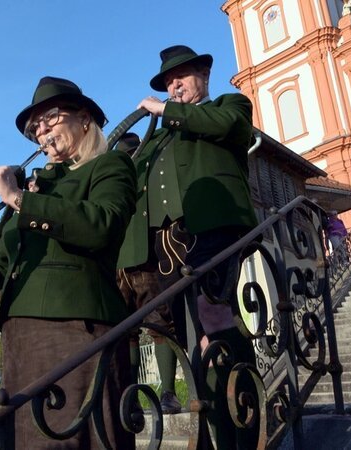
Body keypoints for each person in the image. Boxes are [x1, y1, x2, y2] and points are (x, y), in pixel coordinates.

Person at [0, 76, 137, 449]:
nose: (41, 132)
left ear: (84, 118)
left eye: (50, 118)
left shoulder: (110, 166)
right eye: (34, 128)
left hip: (77, 329)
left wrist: (20, 200)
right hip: (20, 335)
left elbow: (101, 226)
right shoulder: (37, 188)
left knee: (75, 439)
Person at [120, 44, 259, 449]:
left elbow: (227, 125)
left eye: (181, 76)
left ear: (204, 75)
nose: (173, 85)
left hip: (209, 227)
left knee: (213, 316)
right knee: (184, 333)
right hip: (161, 245)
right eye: (167, 81)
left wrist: (167, 112)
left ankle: (243, 417)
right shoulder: (159, 139)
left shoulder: (230, 105)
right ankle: (211, 421)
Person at [115, 133, 183, 415]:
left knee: (161, 325)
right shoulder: (112, 178)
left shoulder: (152, 171)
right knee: (124, 331)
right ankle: (130, 397)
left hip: (147, 256)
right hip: (119, 261)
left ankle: (168, 392)